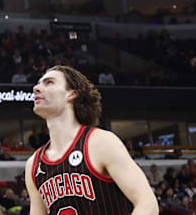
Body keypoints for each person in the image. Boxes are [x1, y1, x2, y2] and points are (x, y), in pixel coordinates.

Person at [25, 65, 158, 214]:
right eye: (38, 83)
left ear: (71, 94)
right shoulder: (34, 164)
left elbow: (147, 203)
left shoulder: (100, 142)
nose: (36, 88)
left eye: (49, 82)